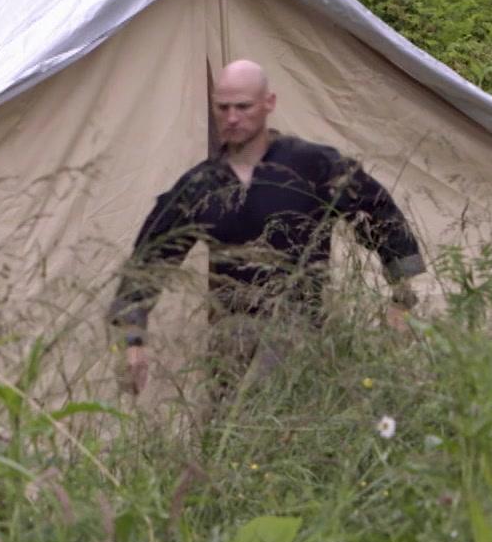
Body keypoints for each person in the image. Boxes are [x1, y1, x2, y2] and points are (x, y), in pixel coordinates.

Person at [108, 59, 426, 396]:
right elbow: (150, 260)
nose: (232, 118)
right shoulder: (201, 185)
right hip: (229, 341)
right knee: (230, 435)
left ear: (268, 103)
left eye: (243, 107)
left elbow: (378, 211)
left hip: (304, 335)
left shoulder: (312, 165)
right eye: (223, 107)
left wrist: (401, 299)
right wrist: (133, 340)